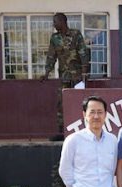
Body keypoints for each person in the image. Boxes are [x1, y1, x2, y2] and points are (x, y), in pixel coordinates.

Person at [40, 12, 90, 141]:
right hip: (64, 76)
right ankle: (62, 132)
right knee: (61, 103)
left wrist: (85, 73)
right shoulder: (55, 38)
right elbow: (51, 56)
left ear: (62, 21)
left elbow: (83, 52)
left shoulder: (75, 34)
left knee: (81, 102)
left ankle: (84, 130)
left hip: (78, 77)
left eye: (55, 22)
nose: (54, 24)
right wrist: (46, 72)